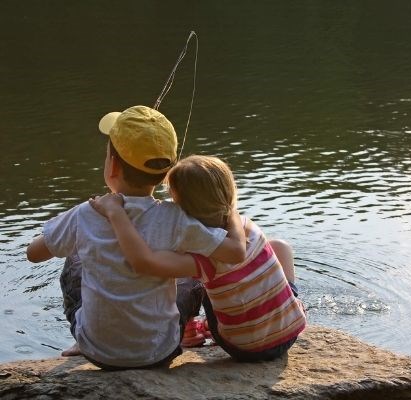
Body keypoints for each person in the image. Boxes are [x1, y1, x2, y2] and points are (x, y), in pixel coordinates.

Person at [26, 106, 246, 370]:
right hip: (160, 351)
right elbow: (234, 253)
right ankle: (187, 331)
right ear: (166, 171)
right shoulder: (176, 218)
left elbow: (34, 254)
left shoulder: (84, 214)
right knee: (195, 273)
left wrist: (78, 231)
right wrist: (232, 212)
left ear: (113, 166)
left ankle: (82, 339)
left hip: (99, 352)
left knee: (73, 259)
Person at [90, 155, 307, 362]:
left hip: (244, 349)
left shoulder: (202, 258)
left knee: (192, 281)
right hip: (289, 334)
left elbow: (144, 262)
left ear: (181, 208)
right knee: (280, 247)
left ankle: (192, 328)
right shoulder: (247, 226)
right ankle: (289, 307)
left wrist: (116, 214)